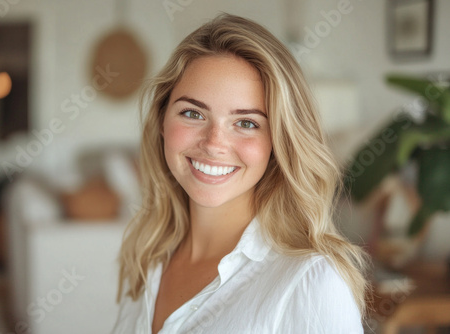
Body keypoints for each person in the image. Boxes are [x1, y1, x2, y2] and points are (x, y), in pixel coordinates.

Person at [112, 13, 370, 334]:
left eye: (246, 123)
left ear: (278, 142)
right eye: (193, 113)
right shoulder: (147, 257)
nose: (214, 144)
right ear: (162, 121)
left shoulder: (311, 283)